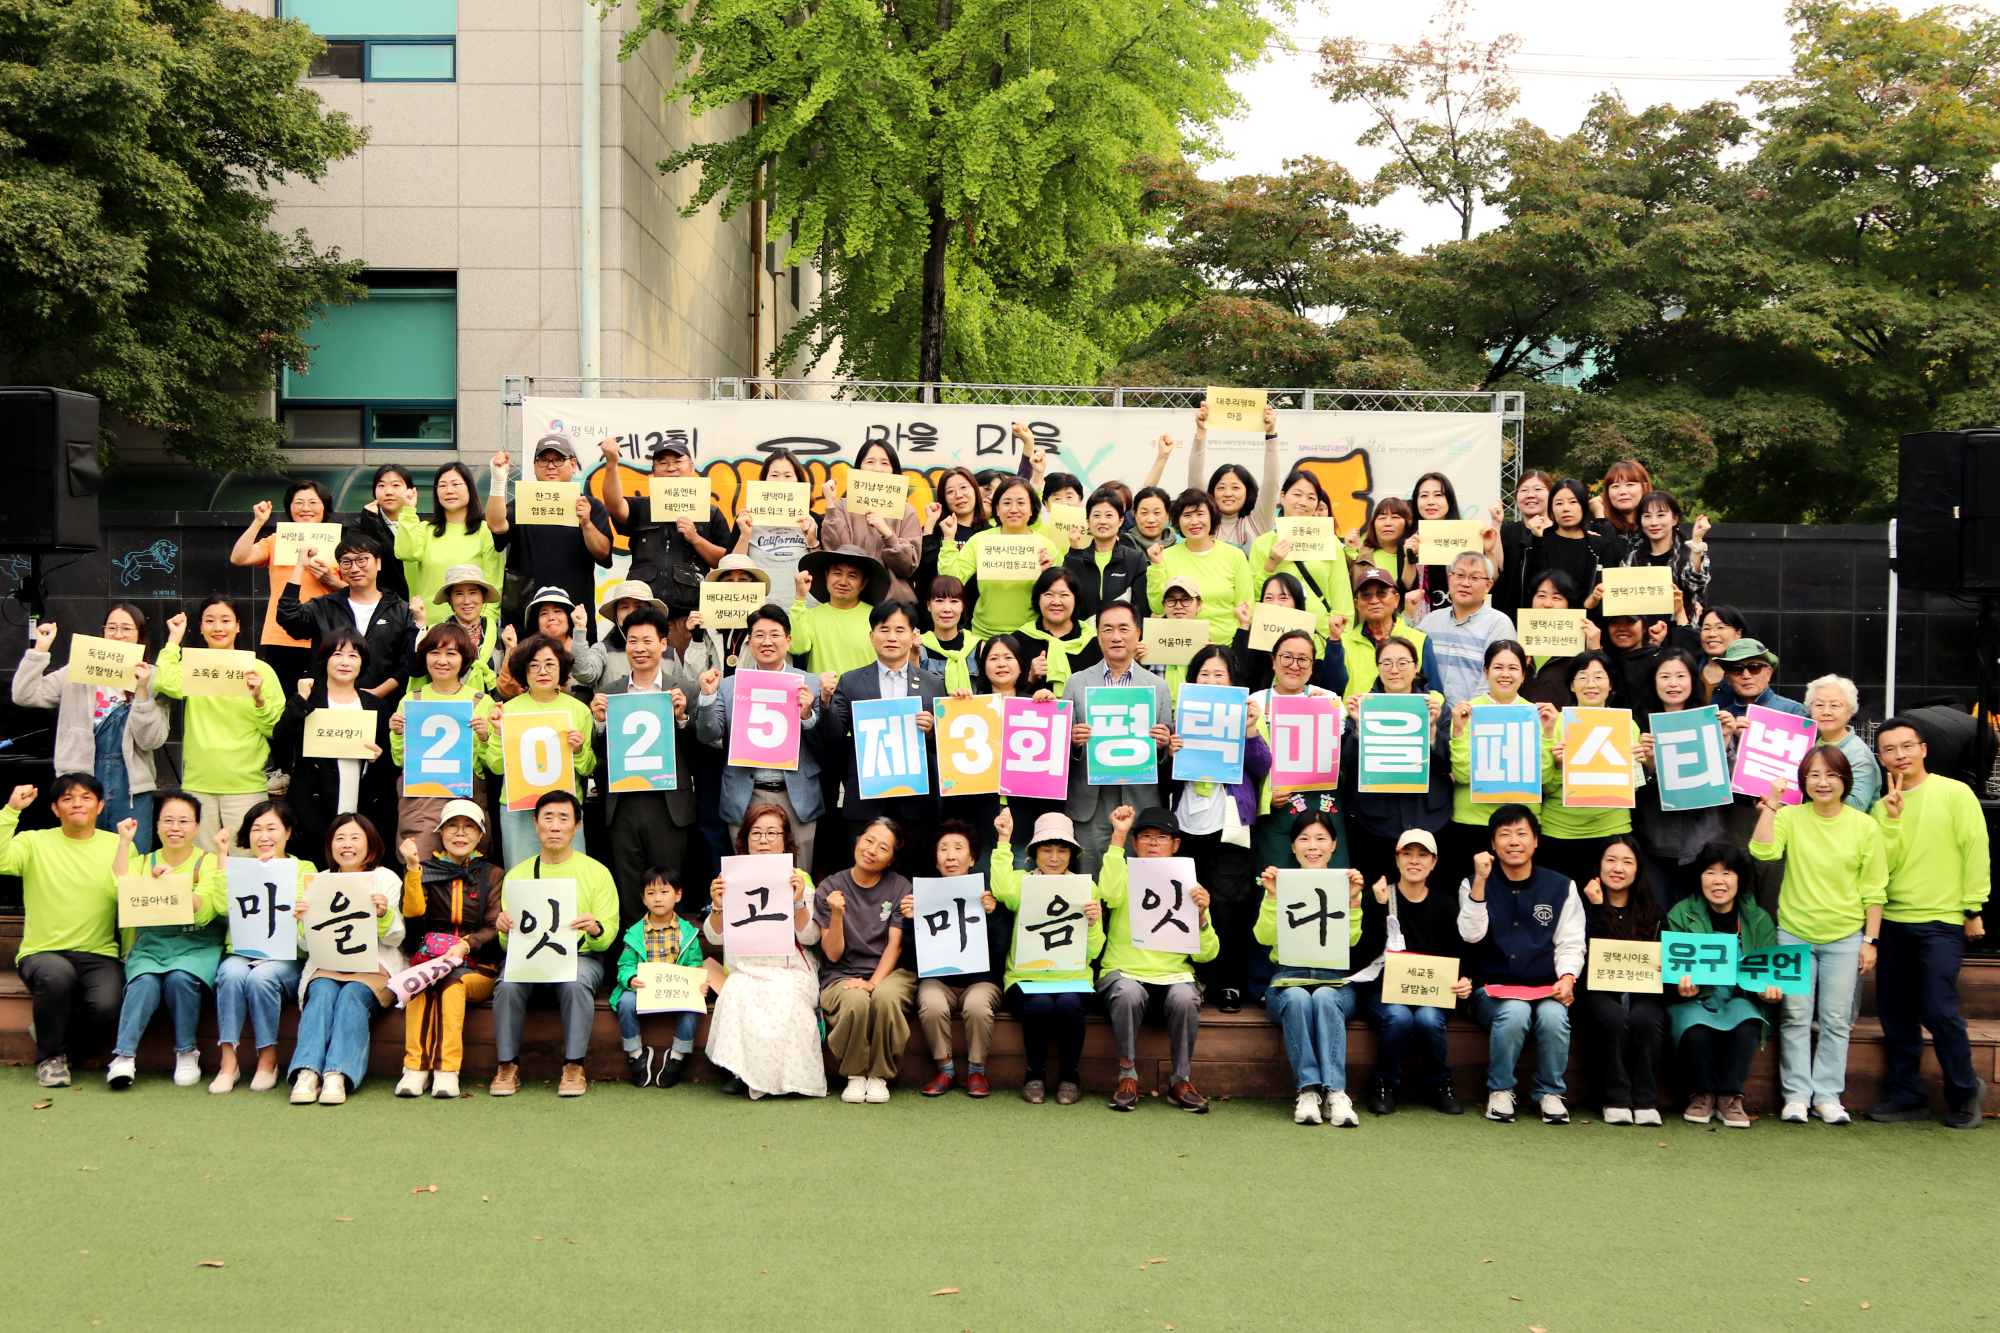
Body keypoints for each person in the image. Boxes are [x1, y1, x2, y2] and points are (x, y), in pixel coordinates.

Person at [1747, 746, 1886, 1124]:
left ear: (1845, 781)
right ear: (1803, 781)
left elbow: (1875, 889)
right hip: (1794, 932)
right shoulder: (1791, 816)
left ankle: (1827, 1096)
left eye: (1831, 775)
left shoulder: (1865, 825)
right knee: (1794, 1014)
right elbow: (1762, 851)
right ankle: (1795, 1096)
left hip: (1845, 937)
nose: (1823, 782)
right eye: (1814, 775)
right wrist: (1773, 803)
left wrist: (1870, 941)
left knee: (1836, 1018)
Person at [1866, 716, 1990, 1128]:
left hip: (1942, 922)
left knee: (1938, 1009)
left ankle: (1965, 1090)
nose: (1899, 755)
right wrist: (1893, 817)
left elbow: (1976, 850)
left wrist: (1973, 909)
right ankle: (1906, 1095)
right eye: (1889, 749)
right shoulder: (1880, 807)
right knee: (1895, 1012)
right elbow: (1882, 866)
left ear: (1922, 749)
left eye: (1906, 746)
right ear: (1881, 758)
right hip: (1894, 921)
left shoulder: (1956, 794)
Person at [1457, 805, 1583, 1125]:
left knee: (1555, 1016)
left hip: (1545, 987)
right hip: (1493, 989)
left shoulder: (1562, 886)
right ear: (1493, 844)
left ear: (1536, 841)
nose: (1514, 841)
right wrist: (1481, 883)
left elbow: (1570, 943)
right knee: (1515, 1011)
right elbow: (1471, 936)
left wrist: (1568, 978)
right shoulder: (1472, 883)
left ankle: (1550, 1093)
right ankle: (1500, 1090)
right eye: (1504, 835)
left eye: (1522, 833)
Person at [490, 790, 618, 1098]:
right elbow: (509, 943)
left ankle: (574, 1065)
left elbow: (607, 935)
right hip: (530, 955)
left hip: (581, 956)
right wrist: (503, 928)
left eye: (564, 818)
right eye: (548, 818)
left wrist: (596, 928)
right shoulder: (518, 875)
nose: (556, 826)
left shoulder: (597, 873)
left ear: (577, 827)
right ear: (535, 825)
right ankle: (507, 1065)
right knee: (507, 983)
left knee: (575, 982)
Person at [13, 606, 169, 847]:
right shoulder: (77, 672)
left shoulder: (155, 679)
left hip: (131, 787)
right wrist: (40, 649)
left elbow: (151, 741)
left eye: (127, 629)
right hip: (80, 782)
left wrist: (141, 690)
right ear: (102, 632)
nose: (118, 634)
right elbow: (25, 694)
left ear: (140, 635)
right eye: (112, 628)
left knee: (132, 862)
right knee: (81, 859)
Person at [1, 777, 122, 1088]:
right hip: (42, 952)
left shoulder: (118, 844)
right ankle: (50, 1058)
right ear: (55, 809)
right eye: (68, 799)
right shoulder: (32, 842)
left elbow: (129, 897)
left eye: (86, 797)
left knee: (107, 1007)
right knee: (57, 976)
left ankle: (47, 1026)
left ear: (100, 806)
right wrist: (11, 810)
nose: (78, 803)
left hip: (99, 953)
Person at [1169, 644, 1270, 1012]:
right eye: (1204, 674)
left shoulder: (1244, 717)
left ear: (1232, 681)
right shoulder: (1181, 717)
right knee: (1187, 904)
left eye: (1219, 675)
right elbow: (1165, 778)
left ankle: (1229, 982)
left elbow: (1262, 766)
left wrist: (1251, 731)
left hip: (1228, 827)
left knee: (1229, 907)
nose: (1210, 681)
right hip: (1187, 826)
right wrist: (1170, 750)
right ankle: (1194, 977)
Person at [1098, 805, 1219, 1112]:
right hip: (1124, 972)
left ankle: (1181, 1079)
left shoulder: (1190, 884)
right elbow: (1107, 894)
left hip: (1173, 976)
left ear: (1176, 844)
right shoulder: (1123, 873)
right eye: (1146, 836)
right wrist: (1118, 837)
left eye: (1162, 837)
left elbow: (1207, 953)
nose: (1153, 843)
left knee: (1186, 998)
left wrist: (1202, 916)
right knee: (1127, 991)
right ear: (1135, 843)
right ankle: (1128, 1076)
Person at [701, 806, 826, 1098]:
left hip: (790, 969)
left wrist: (797, 902)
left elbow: (809, 935)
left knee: (786, 996)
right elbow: (714, 936)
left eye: (772, 833)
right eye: (756, 833)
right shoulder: (730, 879)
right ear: (745, 840)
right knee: (737, 990)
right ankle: (740, 1071)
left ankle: (785, 1079)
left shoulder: (800, 879)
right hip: (746, 968)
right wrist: (718, 904)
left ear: (786, 840)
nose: (764, 840)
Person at [1254, 812, 1368, 1125]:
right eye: (1304, 838)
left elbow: (1352, 942)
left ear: (1333, 845)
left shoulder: (1343, 883)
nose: (1312, 846)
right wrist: (1273, 896)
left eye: (1320, 838)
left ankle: (1335, 1093)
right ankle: (1307, 1091)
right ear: (1293, 846)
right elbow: (1263, 937)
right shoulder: (1282, 882)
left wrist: (1355, 901)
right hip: (1288, 981)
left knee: (1325, 998)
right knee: (1298, 997)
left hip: (1335, 983)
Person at [104, 794, 225, 1089]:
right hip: (151, 943)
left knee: (180, 979)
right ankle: (123, 1057)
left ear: (197, 827)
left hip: (197, 944)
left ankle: (186, 1052)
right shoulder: (143, 860)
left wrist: (174, 884)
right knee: (143, 981)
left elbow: (208, 911)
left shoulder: (208, 862)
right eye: (167, 820)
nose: (175, 827)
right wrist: (124, 842)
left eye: (184, 821)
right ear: (156, 826)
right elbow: (116, 891)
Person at [814, 600, 944, 874]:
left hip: (915, 800)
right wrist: (824, 701)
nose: (892, 637)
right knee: (862, 874)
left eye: (900, 630)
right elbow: (833, 736)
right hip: (866, 796)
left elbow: (943, 747)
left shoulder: (933, 683)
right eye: (884, 630)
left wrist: (932, 731)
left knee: (909, 877)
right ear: (872, 636)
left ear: (913, 636)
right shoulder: (851, 681)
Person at [590, 605, 698, 936]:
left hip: (668, 805)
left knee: (667, 888)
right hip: (622, 803)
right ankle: (633, 965)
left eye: (647, 640)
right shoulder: (609, 693)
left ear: (663, 644)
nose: (640, 648)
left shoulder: (685, 690)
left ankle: (671, 967)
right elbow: (597, 756)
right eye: (632, 640)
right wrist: (597, 723)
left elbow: (700, 750)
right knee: (631, 890)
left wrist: (682, 718)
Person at [987, 809, 1105, 1104]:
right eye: (1047, 849)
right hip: (1026, 978)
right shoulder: (1021, 882)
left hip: (1072, 979)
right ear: (1034, 853)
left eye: (1062, 850)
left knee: (1067, 1003)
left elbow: (1093, 951)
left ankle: (1070, 1075)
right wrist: (1004, 840)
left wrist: (1091, 924)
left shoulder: (1086, 887)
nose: (1054, 857)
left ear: (1072, 854)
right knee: (1039, 1003)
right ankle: (1034, 1073)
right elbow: (1000, 889)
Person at [287, 813, 404, 1105]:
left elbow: (396, 937)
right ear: (330, 845)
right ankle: (307, 1072)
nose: (347, 844)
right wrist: (302, 920)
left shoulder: (386, 878)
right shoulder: (319, 880)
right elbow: (304, 944)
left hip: (374, 966)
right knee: (323, 992)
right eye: (339, 838)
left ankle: (337, 1075)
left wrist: (383, 914)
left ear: (370, 845)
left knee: (353, 994)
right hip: (327, 964)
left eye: (355, 838)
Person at [697, 604, 824, 871]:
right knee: (749, 878)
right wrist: (707, 697)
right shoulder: (728, 686)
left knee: (798, 877)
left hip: (796, 795)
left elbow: (824, 741)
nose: (767, 642)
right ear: (750, 641)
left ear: (788, 641)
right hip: (745, 793)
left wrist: (807, 714)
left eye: (775, 635)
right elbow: (709, 735)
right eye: (759, 635)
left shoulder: (810, 684)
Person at [1666, 841, 1783, 1128]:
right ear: (1700, 878)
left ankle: (1731, 1096)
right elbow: (1668, 969)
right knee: (1695, 1026)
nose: (1718, 881)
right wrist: (1679, 987)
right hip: (1694, 1000)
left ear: (1739, 879)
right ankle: (1701, 1094)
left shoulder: (1758, 919)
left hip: (1739, 1000)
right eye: (1710, 872)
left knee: (1747, 1020)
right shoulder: (1680, 914)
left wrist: (1769, 992)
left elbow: (1770, 973)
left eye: (1727, 873)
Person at [152, 600, 285, 847]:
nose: (218, 627)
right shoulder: (194, 668)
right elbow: (163, 681)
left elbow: (276, 728)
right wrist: (174, 640)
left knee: (245, 862)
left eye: (225, 620)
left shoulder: (260, 671)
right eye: (209, 620)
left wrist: (258, 699)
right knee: (203, 866)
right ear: (200, 628)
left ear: (238, 626)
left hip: (245, 784)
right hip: (199, 782)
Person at [393, 800, 502, 1100]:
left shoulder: (492, 874)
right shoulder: (426, 869)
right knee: (419, 985)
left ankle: (446, 1070)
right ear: (441, 831)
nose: (460, 833)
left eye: (469, 827)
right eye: (453, 825)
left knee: (452, 985)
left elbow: (495, 926)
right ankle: (414, 1069)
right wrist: (413, 868)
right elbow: (413, 912)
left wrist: (466, 944)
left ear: (480, 835)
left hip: (477, 966)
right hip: (431, 960)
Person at [1359, 829, 1471, 1116]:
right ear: (1397, 859)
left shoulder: (1444, 903)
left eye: (1423, 855)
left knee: (1427, 1018)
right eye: (1407, 853)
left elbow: (1457, 954)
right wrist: (1379, 906)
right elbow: (1363, 951)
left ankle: (1440, 1083)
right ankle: (1384, 1083)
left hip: (1431, 994)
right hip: (1382, 992)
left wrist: (1466, 979)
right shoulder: (1380, 896)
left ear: (1434, 862)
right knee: (1398, 1016)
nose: (1414, 860)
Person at [897, 820, 1009, 1097]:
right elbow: (912, 961)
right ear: (935, 860)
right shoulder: (921, 896)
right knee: (931, 1002)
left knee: (978, 1005)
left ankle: (977, 1071)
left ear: (972, 858)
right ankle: (944, 1068)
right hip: (939, 979)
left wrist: (992, 915)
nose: (950, 855)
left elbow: (1001, 948)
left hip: (982, 980)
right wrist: (910, 921)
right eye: (943, 849)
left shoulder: (990, 894)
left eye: (959, 848)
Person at [209, 801, 314, 1094]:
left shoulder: (303, 867)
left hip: (287, 958)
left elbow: (309, 919)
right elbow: (220, 907)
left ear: (288, 832)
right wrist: (222, 856)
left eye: (272, 828)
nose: (263, 836)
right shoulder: (240, 867)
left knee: (261, 978)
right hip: (243, 952)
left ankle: (267, 1058)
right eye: (256, 829)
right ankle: (228, 1062)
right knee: (229, 974)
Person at [1443, 640, 1559, 901]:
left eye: (1513, 668)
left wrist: (1549, 733)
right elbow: (1462, 776)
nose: (1505, 674)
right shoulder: (1468, 711)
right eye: (1498, 667)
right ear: (1485, 672)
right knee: (1473, 900)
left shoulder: (1538, 714)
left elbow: (1544, 779)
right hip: (1473, 823)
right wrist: (1460, 731)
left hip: (1521, 825)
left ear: (1523, 673)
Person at [1061, 602, 1172, 872]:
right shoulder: (1076, 682)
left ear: (1138, 634)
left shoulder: (1157, 686)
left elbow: (1168, 754)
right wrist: (1073, 743)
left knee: (1137, 885)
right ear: (1098, 635)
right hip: (1089, 803)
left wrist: (1161, 745)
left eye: (1124, 629)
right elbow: (1058, 751)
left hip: (1138, 801)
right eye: (1107, 629)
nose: (1116, 636)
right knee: (1091, 886)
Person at [815, 816, 917, 1104]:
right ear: (857, 841)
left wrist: (873, 982)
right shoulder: (830, 887)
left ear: (891, 859)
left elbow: (895, 945)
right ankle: (855, 1074)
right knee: (856, 1001)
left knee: (884, 997)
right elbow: (832, 954)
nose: (872, 850)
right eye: (869, 840)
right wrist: (836, 915)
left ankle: (879, 1075)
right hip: (841, 973)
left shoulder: (900, 887)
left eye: (883, 848)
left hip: (890, 972)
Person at [272, 629, 397, 858]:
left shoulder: (377, 706)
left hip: (362, 808)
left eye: (353, 655)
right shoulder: (308, 700)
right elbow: (280, 740)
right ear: (325, 658)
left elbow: (392, 762)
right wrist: (300, 701)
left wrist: (380, 756)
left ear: (363, 663)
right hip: (313, 809)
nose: (345, 662)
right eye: (338, 654)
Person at [1338, 636, 1450, 888]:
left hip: (1430, 817)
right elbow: (1347, 764)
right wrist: (1358, 727)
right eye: (1386, 663)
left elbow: (1448, 765)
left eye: (1402, 662)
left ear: (1416, 666)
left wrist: (1432, 730)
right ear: (1377, 667)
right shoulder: (1362, 706)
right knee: (1379, 898)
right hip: (1376, 823)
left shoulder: (1436, 704)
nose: (1394, 669)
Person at [1576, 836, 1667, 1125]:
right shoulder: (1583, 905)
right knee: (1613, 1017)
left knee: (1646, 1017)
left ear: (1638, 869)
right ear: (1599, 866)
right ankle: (1616, 1099)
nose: (1618, 868)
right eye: (1611, 860)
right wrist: (1596, 906)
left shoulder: (1652, 911)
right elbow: (1591, 957)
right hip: (1597, 991)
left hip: (1643, 990)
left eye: (1627, 862)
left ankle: (1645, 1101)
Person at [484, 633, 597, 866]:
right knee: (521, 876)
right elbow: (495, 767)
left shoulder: (579, 710)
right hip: (518, 810)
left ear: (562, 669)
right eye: (533, 666)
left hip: (565, 809)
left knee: (570, 877)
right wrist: (496, 733)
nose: (542, 672)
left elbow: (588, 768)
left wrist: (578, 751)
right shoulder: (508, 709)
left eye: (549, 665)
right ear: (523, 672)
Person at [388, 622, 496, 860]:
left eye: (451, 653)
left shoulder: (481, 701)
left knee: (467, 876)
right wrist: (397, 734)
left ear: (464, 658)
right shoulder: (411, 699)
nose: (442, 660)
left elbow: (491, 764)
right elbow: (399, 760)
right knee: (420, 868)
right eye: (434, 652)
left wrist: (485, 737)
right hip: (420, 801)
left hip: (466, 797)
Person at [1539, 649, 1643, 888]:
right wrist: (1557, 764)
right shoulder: (1556, 724)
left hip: (1612, 830)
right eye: (1583, 677)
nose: (1591, 684)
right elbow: (1545, 785)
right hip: (1560, 832)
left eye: (1599, 677)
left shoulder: (1626, 725)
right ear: (1572, 685)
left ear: (1611, 684)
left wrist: (1642, 763)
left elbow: (1633, 788)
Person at [1633, 648, 1727, 910]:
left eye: (1680, 676)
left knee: (1701, 918)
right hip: (1655, 839)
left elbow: (1727, 780)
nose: (1673, 683)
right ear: (1653, 682)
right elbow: (1635, 787)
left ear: (1692, 680)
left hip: (1704, 840)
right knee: (1662, 914)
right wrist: (1647, 760)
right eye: (1665, 676)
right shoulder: (1637, 725)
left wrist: (1727, 739)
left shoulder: (1711, 719)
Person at [486, 438, 615, 628]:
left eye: (558, 460)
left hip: (574, 615)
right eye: (544, 460)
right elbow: (496, 525)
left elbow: (603, 553)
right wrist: (498, 481)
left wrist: (586, 523)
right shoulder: (522, 503)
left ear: (572, 465)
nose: (551, 466)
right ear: (535, 466)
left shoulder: (590, 506)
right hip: (524, 616)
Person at [276, 531, 416, 698]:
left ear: (378, 563)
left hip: (383, 707)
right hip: (327, 705)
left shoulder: (401, 610)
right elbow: (288, 616)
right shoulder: (324, 606)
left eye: (362, 560)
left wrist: (377, 694)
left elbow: (408, 663)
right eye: (346, 562)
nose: (354, 568)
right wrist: (299, 566)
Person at [601, 436, 734, 609]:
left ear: (692, 467)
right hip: (644, 610)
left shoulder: (711, 512)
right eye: (663, 463)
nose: (671, 468)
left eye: (678, 461)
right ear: (653, 471)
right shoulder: (640, 507)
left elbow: (726, 564)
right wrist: (611, 463)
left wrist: (695, 538)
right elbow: (614, 506)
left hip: (690, 614)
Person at [228, 481, 336, 693]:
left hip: (326, 636)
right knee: (281, 702)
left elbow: (353, 589)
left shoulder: (338, 543)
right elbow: (238, 557)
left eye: (313, 502)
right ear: (289, 509)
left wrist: (331, 579)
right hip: (281, 636)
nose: (306, 508)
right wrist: (258, 522)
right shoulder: (276, 541)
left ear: (325, 507)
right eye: (299, 503)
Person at [610, 866, 708, 1088]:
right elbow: (625, 965)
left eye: (664, 892)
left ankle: (677, 1056)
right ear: (643, 899)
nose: (658, 899)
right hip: (644, 990)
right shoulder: (635, 933)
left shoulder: (687, 933)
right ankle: (636, 1053)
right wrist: (631, 979)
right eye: (651, 893)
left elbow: (695, 965)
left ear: (678, 895)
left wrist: (699, 985)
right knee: (625, 1001)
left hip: (676, 992)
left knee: (694, 1006)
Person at [938, 476, 1066, 638]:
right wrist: (949, 539)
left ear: (1032, 509)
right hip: (983, 635)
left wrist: (1048, 575)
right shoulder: (980, 541)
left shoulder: (1045, 546)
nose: (1013, 509)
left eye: (1020, 503)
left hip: (1032, 635)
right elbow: (952, 580)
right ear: (997, 509)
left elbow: (1059, 598)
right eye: (1006, 503)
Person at [1144, 487, 1254, 650]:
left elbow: (1246, 608)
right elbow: (1158, 608)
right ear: (1178, 521)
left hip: (1225, 650)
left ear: (1212, 518)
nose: (1194, 522)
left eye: (1200, 514)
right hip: (1180, 648)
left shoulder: (1234, 555)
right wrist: (1156, 566)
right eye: (1187, 515)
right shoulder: (1164, 556)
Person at [1248, 468, 1355, 632]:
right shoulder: (1262, 544)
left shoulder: (1330, 542)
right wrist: (1271, 565)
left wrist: (1339, 639)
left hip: (1321, 641)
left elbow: (1342, 598)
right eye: (1297, 494)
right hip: (1277, 639)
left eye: (1311, 497)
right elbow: (1254, 598)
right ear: (1282, 497)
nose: (1303, 502)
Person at [817, 440, 923, 603]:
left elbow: (908, 566)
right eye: (870, 462)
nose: (877, 469)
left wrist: (887, 532)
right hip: (850, 603)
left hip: (892, 607)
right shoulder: (842, 506)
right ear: (859, 467)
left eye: (885, 463)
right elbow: (836, 550)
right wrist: (830, 504)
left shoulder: (906, 510)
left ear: (893, 469)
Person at [392, 462, 502, 614]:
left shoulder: (485, 531)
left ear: (470, 488)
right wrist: (409, 511)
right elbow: (405, 553)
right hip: (430, 629)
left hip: (470, 631)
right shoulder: (424, 530)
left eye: (456, 484)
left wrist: (484, 627)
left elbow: (494, 586)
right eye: (442, 486)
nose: (449, 491)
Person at [1416, 551, 1517, 710]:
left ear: (1488, 585)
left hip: (1474, 719)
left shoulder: (1499, 624)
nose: (1465, 583)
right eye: (1460, 575)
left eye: (1475, 578)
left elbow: (1494, 679)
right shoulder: (1430, 621)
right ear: (1450, 579)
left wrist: (1467, 715)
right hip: (1432, 718)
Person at [1324, 565, 1439, 698]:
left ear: (1396, 599)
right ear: (1357, 605)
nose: (1374, 600)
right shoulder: (1342, 644)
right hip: (1357, 717)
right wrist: (1334, 643)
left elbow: (1435, 693)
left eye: (1381, 593)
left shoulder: (1421, 641)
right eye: (1366, 595)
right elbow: (1333, 689)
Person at [1185, 399, 1280, 551]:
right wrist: (1201, 431)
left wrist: (1270, 434)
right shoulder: (1204, 523)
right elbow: (1195, 476)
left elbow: (1271, 481)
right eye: (1221, 488)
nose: (1228, 494)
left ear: (1247, 492)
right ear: (1212, 493)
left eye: (1235, 487)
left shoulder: (1258, 520)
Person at [791, 544, 893, 680]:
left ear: (864, 583)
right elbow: (797, 648)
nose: (843, 581)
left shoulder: (878, 616)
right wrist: (800, 597)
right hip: (826, 698)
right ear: (826, 576)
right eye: (837, 573)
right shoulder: (810, 616)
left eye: (852, 576)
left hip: (866, 698)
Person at [1519, 477, 1622, 606]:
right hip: (1545, 621)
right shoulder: (1536, 542)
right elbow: (1531, 587)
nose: (1566, 509)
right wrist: (1537, 540)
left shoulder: (1599, 546)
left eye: (1573, 502)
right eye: (1559, 503)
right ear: (1551, 508)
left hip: (1588, 622)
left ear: (1583, 506)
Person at [732, 447, 821, 594]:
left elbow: (822, 573)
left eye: (788, 476)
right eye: (774, 475)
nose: (781, 481)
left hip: (804, 607)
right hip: (761, 610)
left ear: (798, 480)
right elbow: (732, 569)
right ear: (764, 480)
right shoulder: (747, 520)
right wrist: (745, 535)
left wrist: (813, 542)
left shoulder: (814, 521)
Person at [496, 586, 606, 699]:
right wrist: (510, 650)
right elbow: (507, 692)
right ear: (536, 621)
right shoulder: (524, 651)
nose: (551, 617)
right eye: (544, 613)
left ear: (569, 617)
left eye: (557, 611)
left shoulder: (583, 650)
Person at [1229, 571, 1323, 696]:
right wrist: (1244, 626)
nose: (1275, 604)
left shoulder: (1313, 638)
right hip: (1258, 707)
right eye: (1269, 598)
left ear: (1297, 602)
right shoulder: (1252, 634)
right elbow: (1240, 672)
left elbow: (1322, 678)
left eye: (1283, 598)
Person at [1064, 485, 1148, 620]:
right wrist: (1074, 553)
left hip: (1120, 638)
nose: (1102, 521)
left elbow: (1141, 609)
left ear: (1120, 520)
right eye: (1096, 515)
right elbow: (1067, 601)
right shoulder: (1076, 558)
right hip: (1082, 638)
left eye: (1109, 515)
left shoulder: (1135, 559)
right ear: (1088, 521)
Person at [419, 564, 506, 695]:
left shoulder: (502, 636)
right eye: (459, 594)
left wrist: (511, 649)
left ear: (483, 597)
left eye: (473, 593)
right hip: (447, 711)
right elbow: (416, 671)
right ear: (450, 600)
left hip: (492, 710)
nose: (466, 601)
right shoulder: (434, 636)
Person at [917, 465, 988, 621]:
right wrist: (930, 523)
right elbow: (922, 574)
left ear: (975, 491)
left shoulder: (990, 532)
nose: (958, 495)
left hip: (979, 619)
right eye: (950, 492)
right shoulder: (936, 530)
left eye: (964, 488)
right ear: (943, 498)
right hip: (937, 621)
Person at [1804, 674, 1881, 812]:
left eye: (1835, 705)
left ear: (1850, 712)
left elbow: (1857, 806)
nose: (1826, 712)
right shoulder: (1806, 744)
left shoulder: (1859, 755)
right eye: (1819, 705)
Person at [1623, 489, 1711, 608]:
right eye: (1647, 516)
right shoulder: (1631, 560)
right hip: (1644, 625)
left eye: (1661, 515)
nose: (1654, 522)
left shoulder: (1689, 553)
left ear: (1675, 519)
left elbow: (1695, 585)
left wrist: (1697, 539)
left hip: (1682, 624)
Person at [1020, 567, 1100, 691]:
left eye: (1064, 595)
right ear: (1038, 599)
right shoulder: (1019, 640)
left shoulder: (1094, 643)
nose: (1056, 602)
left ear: (1076, 599)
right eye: (1048, 594)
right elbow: (1006, 696)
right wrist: (1030, 679)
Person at [349, 463, 418, 602]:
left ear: (410, 491)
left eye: (396, 485)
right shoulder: (361, 525)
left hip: (414, 603)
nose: (388, 492)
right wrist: (371, 523)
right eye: (381, 486)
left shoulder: (420, 526)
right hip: (376, 604)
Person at [1492, 469, 1554, 618]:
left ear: (1551, 495)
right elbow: (1498, 568)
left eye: (1538, 489)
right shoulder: (1506, 530)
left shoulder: (1560, 532)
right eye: (1524, 490)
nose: (1530, 495)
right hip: (1510, 613)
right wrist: (1496, 523)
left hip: (1550, 615)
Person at [1710, 638, 1805, 719]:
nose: (1746, 676)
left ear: (1769, 673)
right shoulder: (1721, 718)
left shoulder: (1794, 712)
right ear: (1727, 679)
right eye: (1736, 669)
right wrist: (1730, 737)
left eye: (1754, 667)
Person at [916, 575, 980, 693]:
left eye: (954, 601)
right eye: (939, 601)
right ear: (928, 605)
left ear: (962, 606)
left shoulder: (978, 647)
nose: (947, 608)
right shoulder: (917, 647)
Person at [1589, 459, 1653, 555]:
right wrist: (1600, 517)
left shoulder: (1656, 525)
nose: (1622, 491)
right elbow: (1615, 560)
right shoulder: (1595, 530)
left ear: (1644, 488)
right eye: (1615, 486)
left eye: (1630, 484)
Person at [1697, 605, 1749, 691]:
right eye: (1706, 628)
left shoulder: (1749, 674)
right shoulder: (1690, 671)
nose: (1712, 634)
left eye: (1720, 627)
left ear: (1738, 633)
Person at [1125, 484, 1179, 562]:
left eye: (1157, 512)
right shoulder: (1124, 545)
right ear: (1135, 514)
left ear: (1168, 515)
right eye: (1144, 513)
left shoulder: (1179, 549)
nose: (1151, 520)